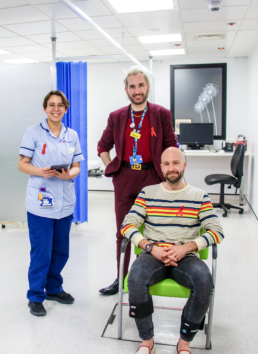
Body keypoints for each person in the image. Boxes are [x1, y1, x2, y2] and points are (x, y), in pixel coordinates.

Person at [120, 147, 224, 354]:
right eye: (166, 164)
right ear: (161, 168)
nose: (171, 168)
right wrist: (151, 247)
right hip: (152, 253)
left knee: (204, 281)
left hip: (186, 256)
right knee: (136, 278)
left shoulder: (199, 196)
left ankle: (184, 343)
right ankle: (147, 341)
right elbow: (127, 226)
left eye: (176, 163)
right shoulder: (147, 193)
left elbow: (217, 232)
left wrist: (186, 247)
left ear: (184, 165)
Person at [97, 65, 178, 295]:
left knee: (153, 232)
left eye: (141, 85)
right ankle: (121, 279)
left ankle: (147, 277)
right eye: (132, 86)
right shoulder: (117, 116)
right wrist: (112, 168)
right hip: (125, 178)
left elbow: (171, 146)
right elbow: (103, 146)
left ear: (148, 87)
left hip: (152, 177)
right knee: (123, 232)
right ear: (126, 90)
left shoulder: (161, 114)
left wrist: (170, 174)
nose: (137, 90)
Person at [18, 90, 84, 317]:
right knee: (41, 252)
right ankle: (35, 295)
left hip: (65, 202)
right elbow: (22, 164)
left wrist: (69, 175)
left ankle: (54, 288)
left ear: (65, 109)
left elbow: (76, 166)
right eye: (51, 105)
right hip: (40, 202)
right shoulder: (33, 133)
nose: (56, 108)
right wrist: (41, 172)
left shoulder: (72, 135)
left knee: (60, 251)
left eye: (60, 105)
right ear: (45, 108)